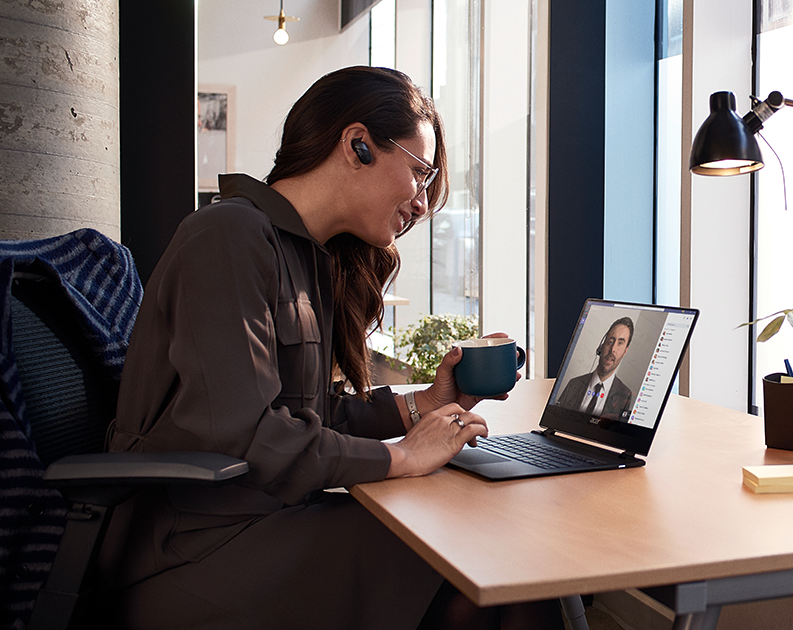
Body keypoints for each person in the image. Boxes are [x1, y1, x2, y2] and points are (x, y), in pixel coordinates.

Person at [100, 67, 561, 630]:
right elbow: (251, 435)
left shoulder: (305, 258)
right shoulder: (226, 238)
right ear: (358, 145)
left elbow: (303, 414)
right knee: (491, 578)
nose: (421, 204)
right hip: (195, 552)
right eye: (419, 173)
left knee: (504, 565)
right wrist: (402, 456)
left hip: (266, 521)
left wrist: (425, 403)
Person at [556, 317, 635, 421]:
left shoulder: (625, 394)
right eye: (610, 341)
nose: (613, 350)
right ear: (602, 346)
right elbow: (557, 420)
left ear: (625, 351)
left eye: (620, 343)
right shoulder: (573, 384)